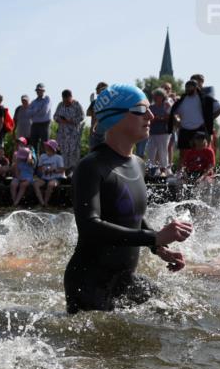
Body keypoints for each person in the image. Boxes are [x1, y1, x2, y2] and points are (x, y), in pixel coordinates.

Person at [65, 83, 192, 314]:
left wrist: (158, 246)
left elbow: (132, 215)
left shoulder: (139, 164)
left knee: (175, 313)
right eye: (141, 110)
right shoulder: (91, 166)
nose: (152, 115)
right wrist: (153, 237)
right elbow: (89, 227)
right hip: (89, 283)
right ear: (115, 116)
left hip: (124, 280)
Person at [170, 79, 220, 152]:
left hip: (199, 129)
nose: (187, 89)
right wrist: (177, 122)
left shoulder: (204, 98)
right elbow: (173, 112)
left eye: (189, 87)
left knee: (199, 152)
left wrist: (209, 119)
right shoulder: (182, 100)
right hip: (184, 129)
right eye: (186, 87)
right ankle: (183, 164)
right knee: (183, 153)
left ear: (195, 87)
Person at [53, 89, 84, 174]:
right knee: (63, 152)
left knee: (73, 152)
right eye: (64, 100)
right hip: (62, 135)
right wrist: (60, 120)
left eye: (67, 100)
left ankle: (73, 171)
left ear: (71, 97)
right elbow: (55, 116)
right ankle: (63, 171)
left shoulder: (77, 104)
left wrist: (70, 120)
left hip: (73, 134)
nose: (66, 102)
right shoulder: (60, 105)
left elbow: (82, 117)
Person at [147, 89, 173, 176]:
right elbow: (149, 118)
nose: (157, 97)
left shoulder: (166, 106)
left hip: (164, 132)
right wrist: (158, 118)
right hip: (153, 132)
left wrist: (160, 118)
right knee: (151, 151)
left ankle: (163, 170)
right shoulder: (151, 107)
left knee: (163, 151)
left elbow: (169, 117)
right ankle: (151, 170)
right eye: (155, 96)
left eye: (159, 96)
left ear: (162, 97)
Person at [32, 139, 65, 207]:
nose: (45, 147)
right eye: (46, 146)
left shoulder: (58, 158)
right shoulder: (42, 156)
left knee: (50, 184)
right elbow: (39, 168)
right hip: (44, 178)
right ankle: (42, 202)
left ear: (51, 148)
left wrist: (54, 170)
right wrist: (43, 169)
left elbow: (62, 170)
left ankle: (46, 202)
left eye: (47, 146)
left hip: (56, 178)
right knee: (35, 184)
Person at [9, 137, 36, 207]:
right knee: (13, 184)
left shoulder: (30, 153)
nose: (18, 144)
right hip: (19, 176)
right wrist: (18, 177)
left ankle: (16, 203)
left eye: (20, 143)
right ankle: (14, 202)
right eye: (17, 143)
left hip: (28, 176)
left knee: (23, 185)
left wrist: (29, 153)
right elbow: (16, 169)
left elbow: (31, 162)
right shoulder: (16, 155)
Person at [27, 83, 52, 152]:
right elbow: (28, 114)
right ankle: (35, 162)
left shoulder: (47, 99)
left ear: (44, 91)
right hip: (35, 124)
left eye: (40, 90)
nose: (38, 91)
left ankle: (43, 161)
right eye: (37, 90)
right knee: (33, 144)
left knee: (44, 144)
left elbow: (44, 112)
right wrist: (37, 109)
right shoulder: (33, 102)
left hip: (45, 124)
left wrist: (33, 111)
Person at [86, 82, 109, 149]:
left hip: (105, 131)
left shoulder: (110, 101)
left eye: (97, 88)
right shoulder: (94, 102)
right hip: (94, 131)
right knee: (93, 150)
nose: (96, 90)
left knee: (104, 150)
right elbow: (88, 113)